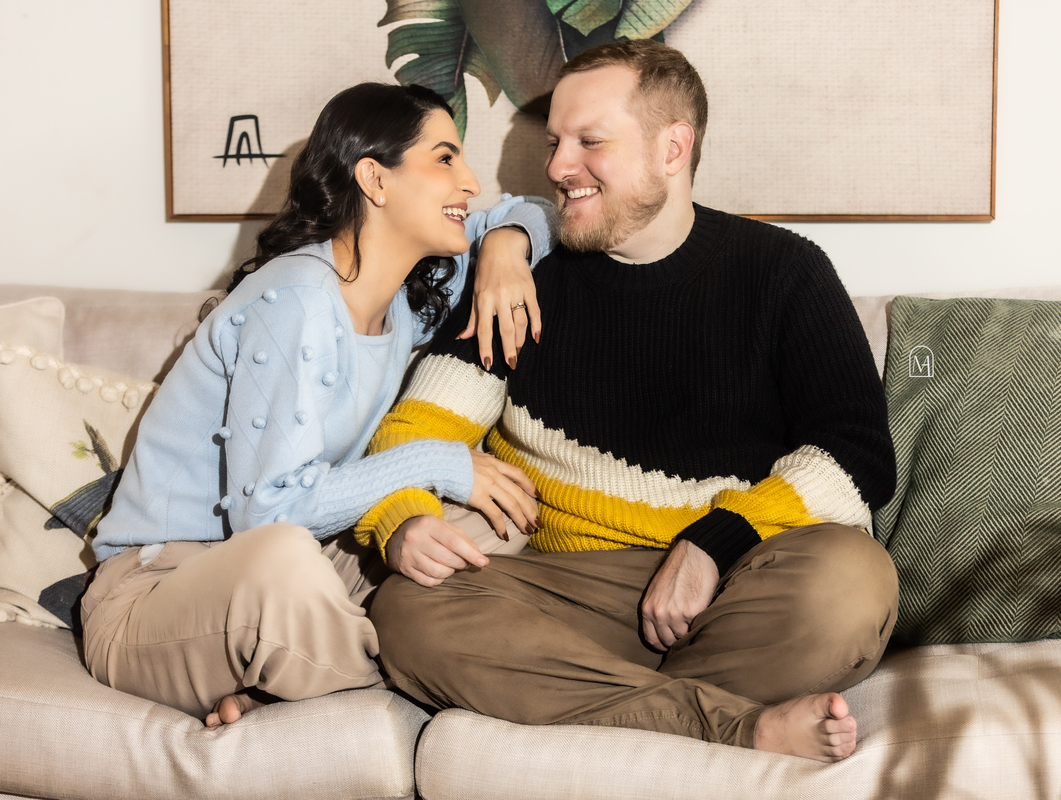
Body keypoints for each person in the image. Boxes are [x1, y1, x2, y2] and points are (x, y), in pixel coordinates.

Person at [364, 41, 899, 763]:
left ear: (672, 149)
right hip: (572, 594)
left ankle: (597, 707)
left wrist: (712, 544)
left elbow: (856, 454)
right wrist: (402, 519)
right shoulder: (522, 281)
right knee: (406, 610)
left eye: (590, 142)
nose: (558, 166)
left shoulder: (784, 272)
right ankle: (731, 728)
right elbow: (417, 427)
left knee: (852, 583)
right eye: (555, 143)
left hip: (737, 583)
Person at [79, 82, 552, 728]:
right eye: (445, 158)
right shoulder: (298, 298)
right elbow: (269, 513)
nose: (469, 182)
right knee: (286, 556)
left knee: (493, 519)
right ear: (375, 180)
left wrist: (504, 248)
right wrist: (438, 463)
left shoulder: (404, 301)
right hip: (155, 597)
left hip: (301, 568)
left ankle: (302, 677)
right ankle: (399, 670)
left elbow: (542, 213)